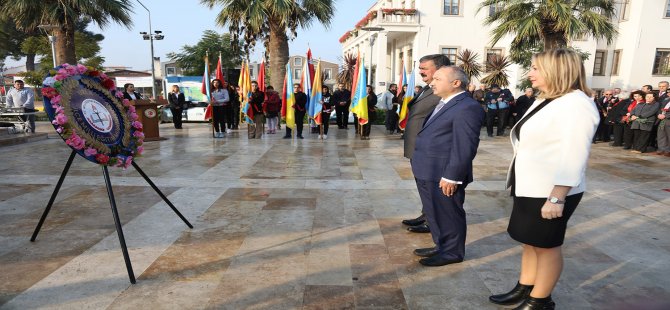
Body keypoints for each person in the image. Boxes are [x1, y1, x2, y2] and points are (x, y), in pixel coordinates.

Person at [489, 49, 599, 310]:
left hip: (551, 190)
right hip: (531, 185)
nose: (530, 73)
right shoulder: (549, 99)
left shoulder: (576, 104)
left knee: (546, 245)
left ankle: (540, 300)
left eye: (536, 68)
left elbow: (575, 153)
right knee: (530, 240)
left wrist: (556, 196)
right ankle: (525, 287)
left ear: (556, 70)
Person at [411, 65, 484, 266]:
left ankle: (452, 252)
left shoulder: (467, 107)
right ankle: (441, 245)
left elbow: (465, 146)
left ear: (455, 83)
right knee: (433, 212)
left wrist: (452, 176)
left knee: (449, 214)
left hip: (444, 173)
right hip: (427, 168)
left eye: (437, 79)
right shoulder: (444, 102)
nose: (432, 82)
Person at [401, 54, 451, 234]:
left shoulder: (444, 92)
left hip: (429, 148)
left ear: (439, 69)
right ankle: (426, 214)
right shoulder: (427, 88)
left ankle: (433, 220)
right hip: (416, 146)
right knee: (422, 185)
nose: (420, 72)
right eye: (420, 68)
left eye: (424, 68)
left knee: (430, 187)